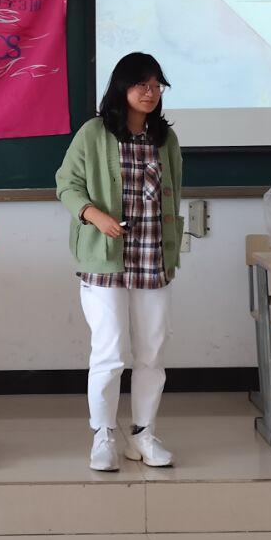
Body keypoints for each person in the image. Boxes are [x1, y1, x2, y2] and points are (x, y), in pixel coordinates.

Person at [55, 51, 184, 473]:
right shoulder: (93, 133)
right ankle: (104, 435)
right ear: (122, 87)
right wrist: (94, 215)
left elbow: (174, 193)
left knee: (151, 353)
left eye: (156, 85)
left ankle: (143, 434)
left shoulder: (165, 139)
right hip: (103, 259)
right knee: (109, 352)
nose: (150, 92)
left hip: (152, 258)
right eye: (142, 84)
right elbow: (66, 184)